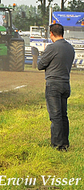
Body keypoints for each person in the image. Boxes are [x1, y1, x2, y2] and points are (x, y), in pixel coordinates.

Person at [38, 23, 75, 151]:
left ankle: (58, 145)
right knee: (64, 115)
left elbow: (40, 65)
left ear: (51, 34)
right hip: (66, 83)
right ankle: (65, 142)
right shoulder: (70, 48)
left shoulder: (52, 47)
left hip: (53, 84)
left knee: (56, 116)